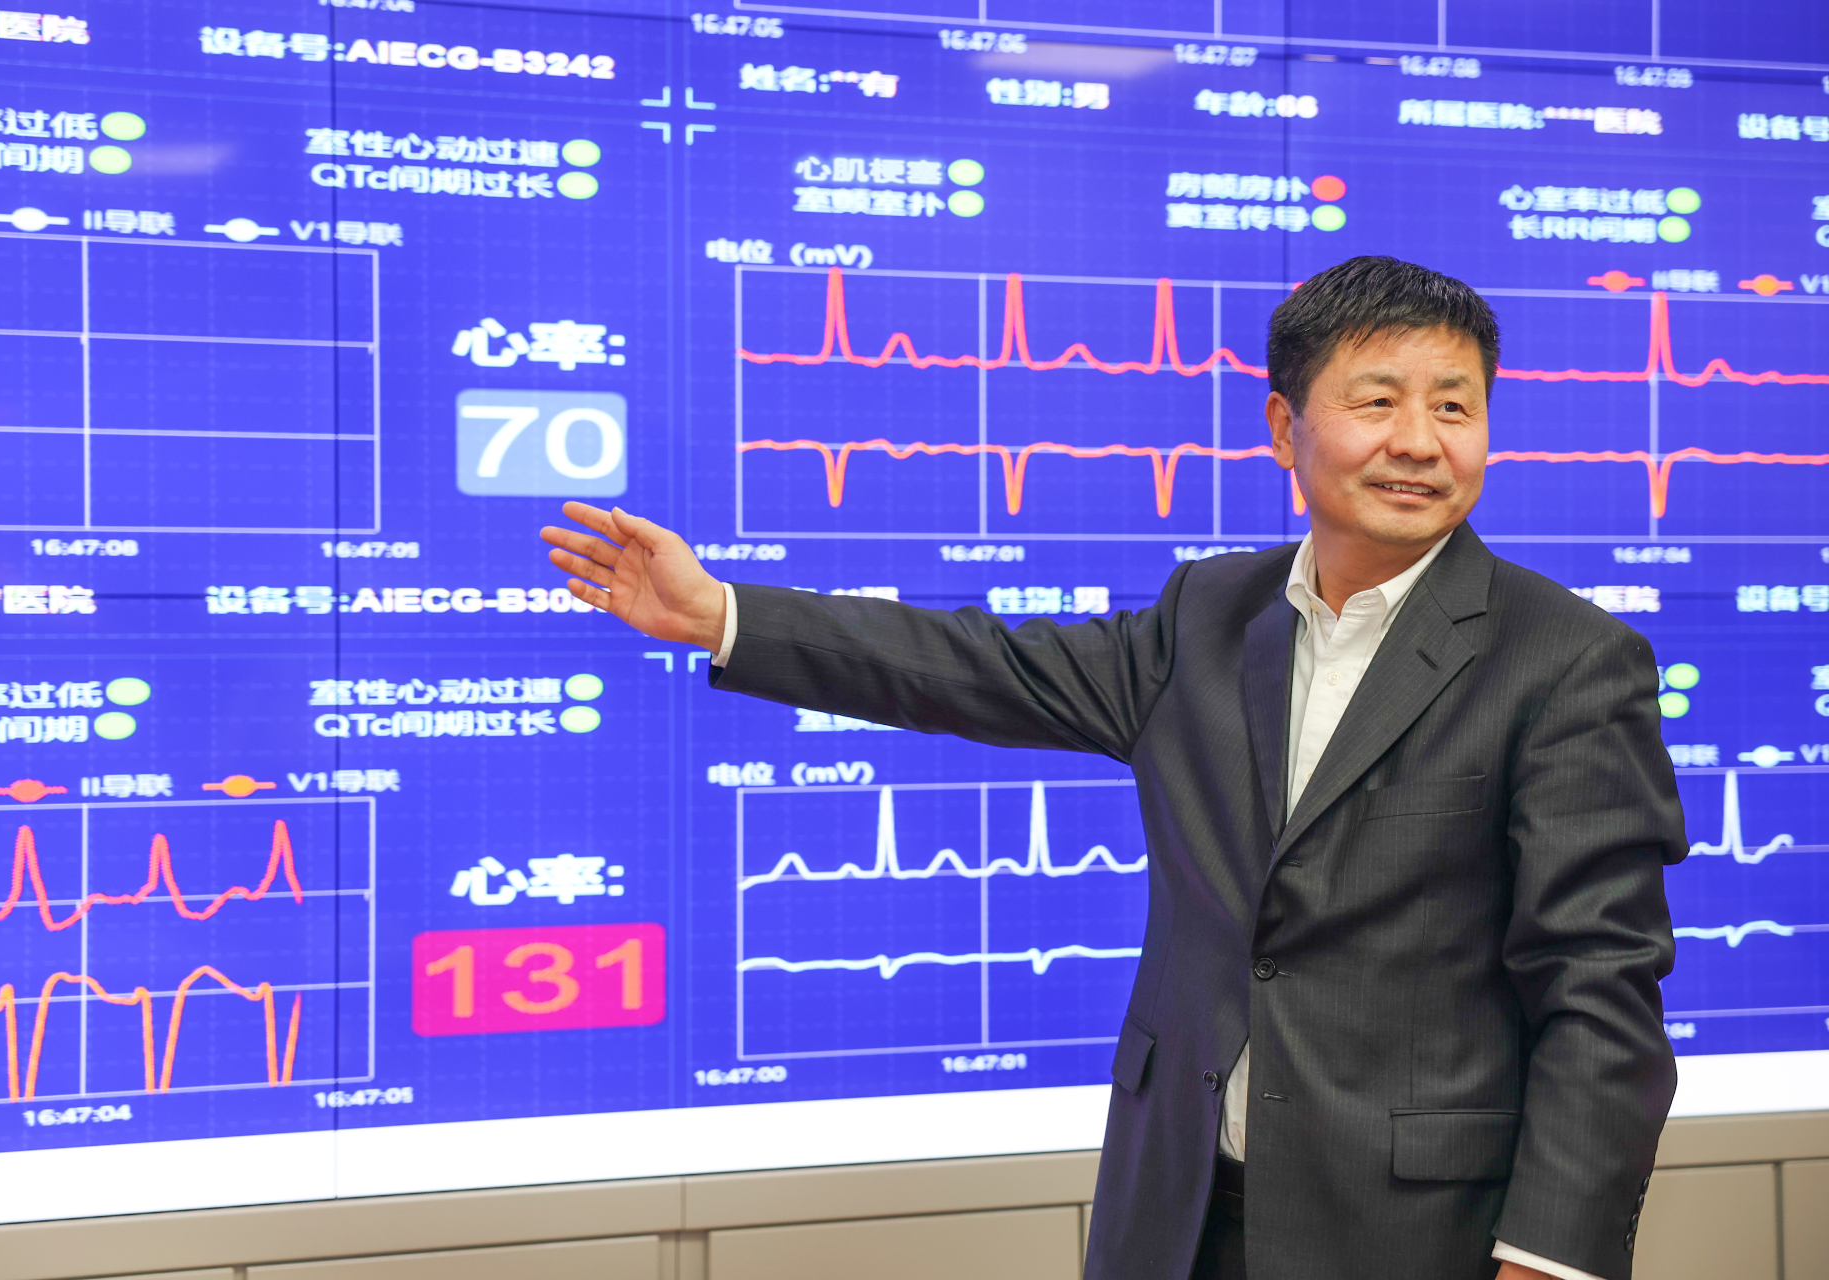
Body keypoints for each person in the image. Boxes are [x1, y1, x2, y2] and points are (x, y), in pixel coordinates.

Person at [540, 256, 1685, 1280]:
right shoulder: (1211, 613)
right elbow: (980, 666)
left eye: (1455, 406)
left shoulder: (1566, 662)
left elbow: (1600, 990)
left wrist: (1550, 1258)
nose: (1421, 440)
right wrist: (722, 614)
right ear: (1284, 426)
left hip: (1413, 1232)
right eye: (1378, 401)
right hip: (1176, 1210)